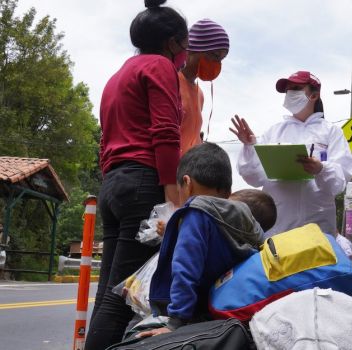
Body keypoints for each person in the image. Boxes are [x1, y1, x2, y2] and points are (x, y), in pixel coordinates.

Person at [85, 1, 187, 348]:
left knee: (108, 292)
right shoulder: (160, 66)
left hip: (114, 183)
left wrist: (112, 178)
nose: (185, 53)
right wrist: (172, 198)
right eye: (185, 46)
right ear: (173, 43)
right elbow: (165, 132)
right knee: (125, 295)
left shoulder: (119, 74)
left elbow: (105, 138)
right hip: (143, 182)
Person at [141, 143, 275, 336]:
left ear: (187, 184)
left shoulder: (195, 214)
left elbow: (185, 269)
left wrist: (176, 321)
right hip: (237, 310)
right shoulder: (245, 213)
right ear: (228, 189)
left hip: (199, 314)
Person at [230, 71, 352, 237]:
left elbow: (338, 184)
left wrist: (320, 169)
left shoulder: (331, 132)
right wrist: (250, 146)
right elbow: (253, 178)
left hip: (318, 229)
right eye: (288, 90)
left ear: (314, 95)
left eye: (296, 88)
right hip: (278, 228)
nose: (290, 93)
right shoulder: (273, 132)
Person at [178, 18, 229, 154]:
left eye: (221, 59)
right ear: (193, 48)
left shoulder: (199, 94)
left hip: (185, 172)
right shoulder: (170, 80)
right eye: (215, 55)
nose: (217, 63)